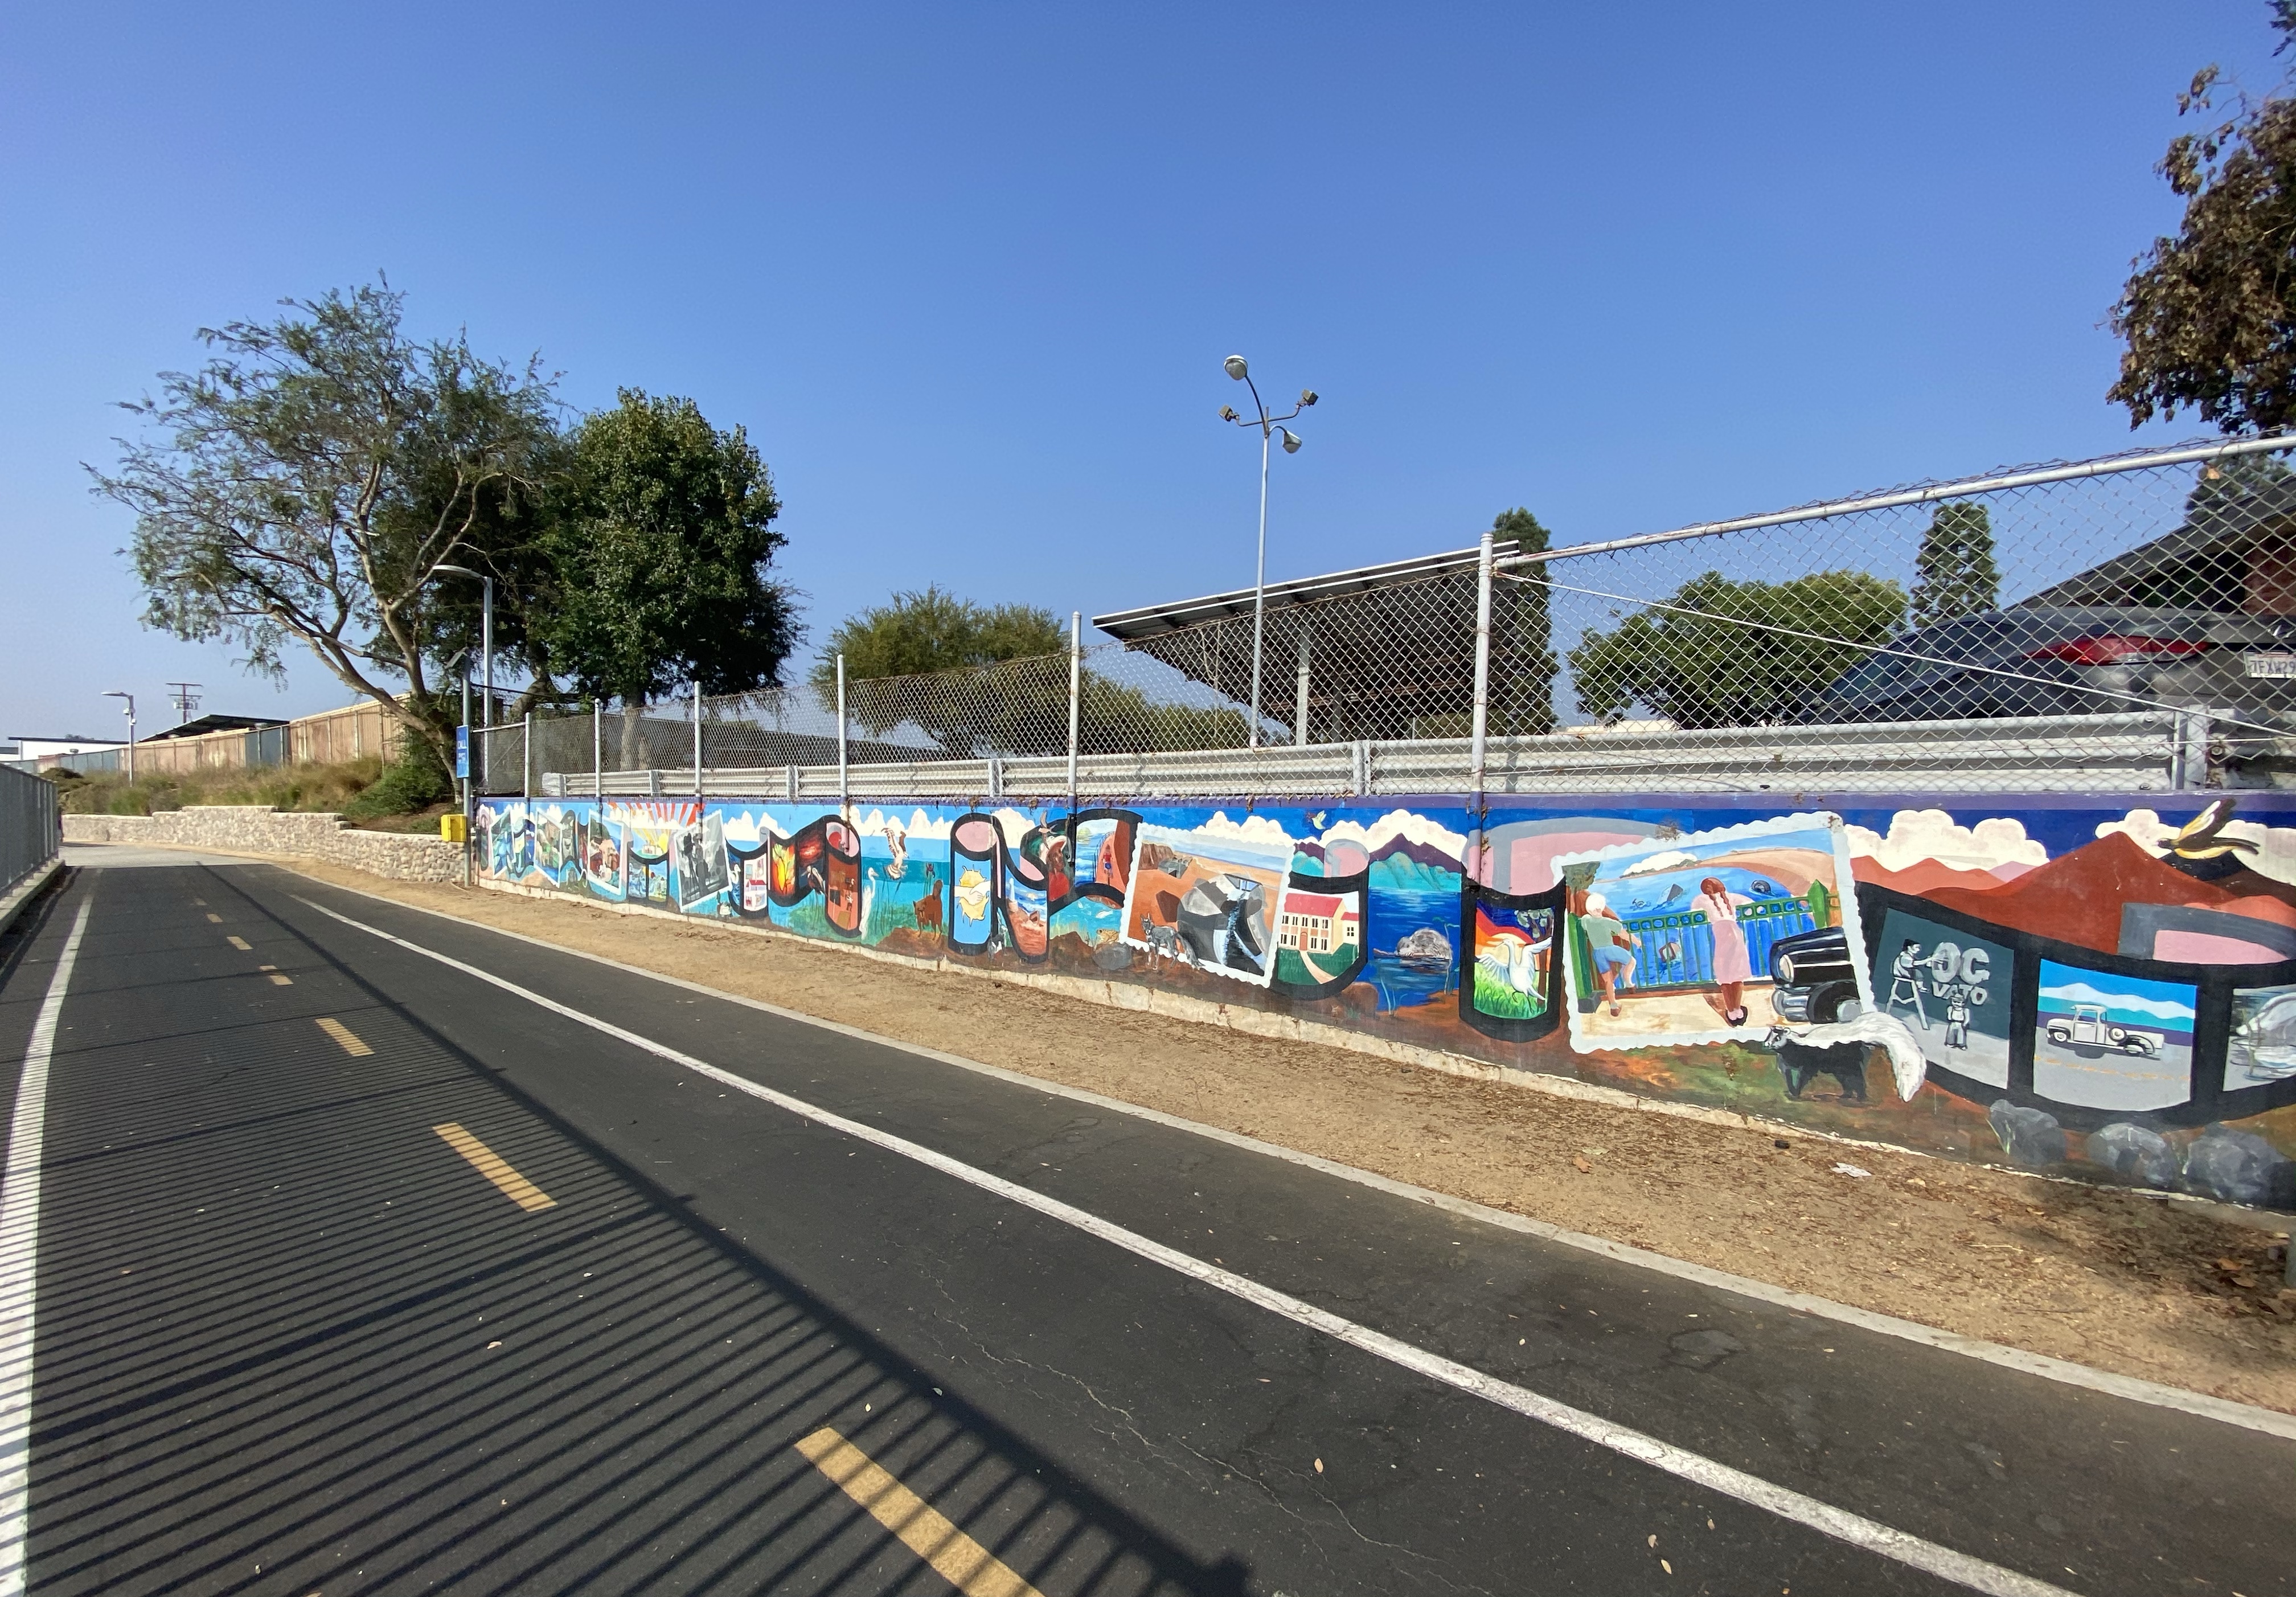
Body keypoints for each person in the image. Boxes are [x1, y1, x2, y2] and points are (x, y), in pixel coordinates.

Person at [1696, 875, 1754, 1026]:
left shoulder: (1701, 899)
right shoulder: (1730, 897)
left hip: (1721, 934)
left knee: (1725, 974)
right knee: (1737, 972)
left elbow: (1693, 912)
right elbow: (1751, 904)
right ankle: (1737, 1010)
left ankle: (1731, 1011)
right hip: (1734, 933)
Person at [1579, 892, 1640, 1018]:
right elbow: (1623, 934)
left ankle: (1613, 1007)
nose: (1597, 910)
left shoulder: (1586, 920)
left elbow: (1584, 925)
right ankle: (1628, 983)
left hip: (1598, 953)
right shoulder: (1607, 922)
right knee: (1631, 961)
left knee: (1608, 981)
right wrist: (1637, 941)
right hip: (1610, 949)